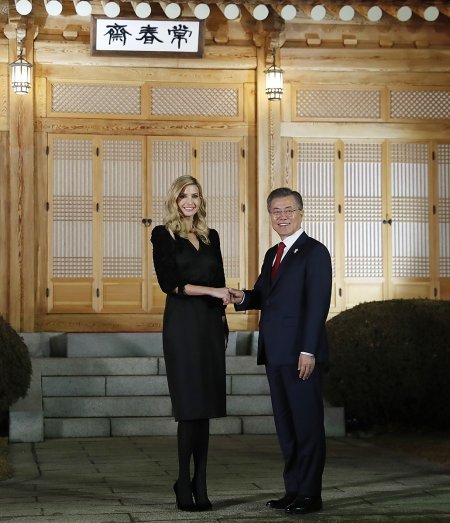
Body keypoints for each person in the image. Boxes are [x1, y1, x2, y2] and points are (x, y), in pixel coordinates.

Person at [229, 187, 332, 515]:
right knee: (286, 427)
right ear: (270, 216)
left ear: (301, 213)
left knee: (307, 425)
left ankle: (310, 495)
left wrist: (308, 350)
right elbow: (263, 295)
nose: (282, 216)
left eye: (288, 210)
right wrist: (241, 297)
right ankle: (293, 489)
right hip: (275, 353)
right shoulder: (273, 254)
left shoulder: (315, 252)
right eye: (276, 211)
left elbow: (317, 305)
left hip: (301, 355)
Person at [151, 175, 230, 512]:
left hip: (210, 325)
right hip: (182, 325)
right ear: (174, 200)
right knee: (189, 407)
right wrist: (213, 291)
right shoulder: (163, 234)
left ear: (201, 200)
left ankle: (201, 481)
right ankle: (183, 480)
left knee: (205, 408)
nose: (189, 202)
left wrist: (223, 317)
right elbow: (170, 283)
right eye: (184, 196)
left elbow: (220, 281)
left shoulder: (211, 237)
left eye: (195, 196)